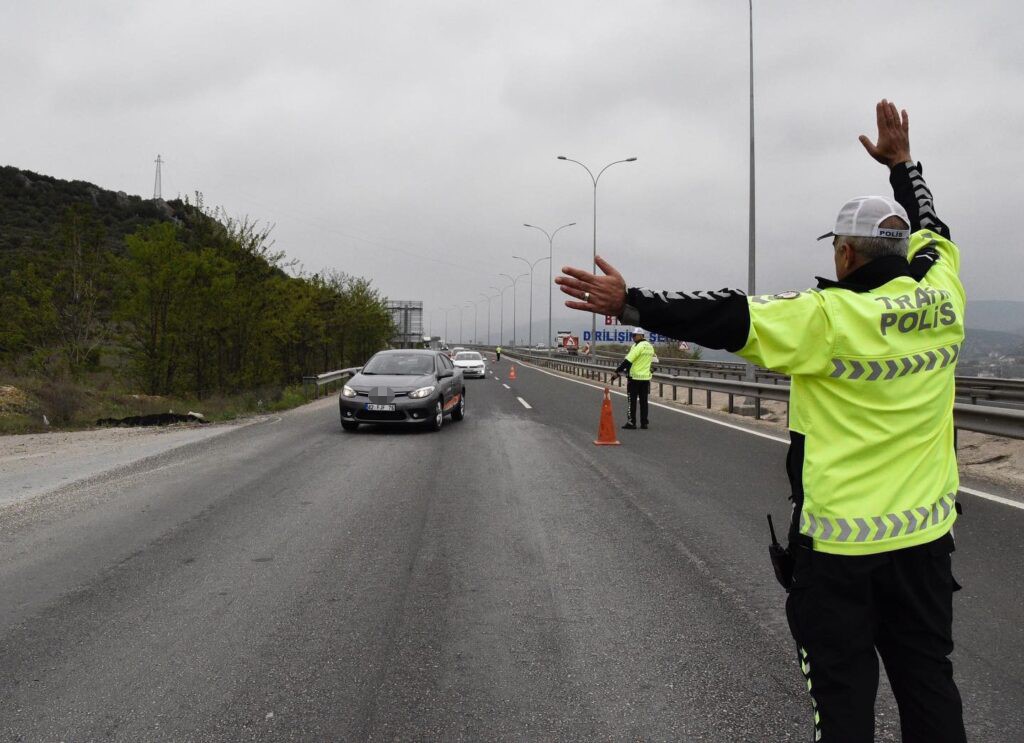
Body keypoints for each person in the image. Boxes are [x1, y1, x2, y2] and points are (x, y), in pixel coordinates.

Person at [555, 100, 967, 743]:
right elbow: (933, 222)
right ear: (903, 247)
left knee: (844, 702)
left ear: (848, 257)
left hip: (841, 556)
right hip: (925, 545)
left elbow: (727, 315)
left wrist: (632, 303)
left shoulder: (827, 320)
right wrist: (904, 165)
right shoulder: (945, 291)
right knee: (930, 688)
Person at [611, 327, 655, 429]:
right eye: (632, 335)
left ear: (640, 335)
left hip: (634, 378)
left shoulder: (637, 346)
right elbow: (653, 360)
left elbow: (628, 361)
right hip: (645, 378)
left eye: (634, 335)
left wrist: (617, 371)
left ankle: (631, 422)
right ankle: (644, 423)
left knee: (632, 401)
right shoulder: (650, 346)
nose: (633, 337)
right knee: (644, 401)